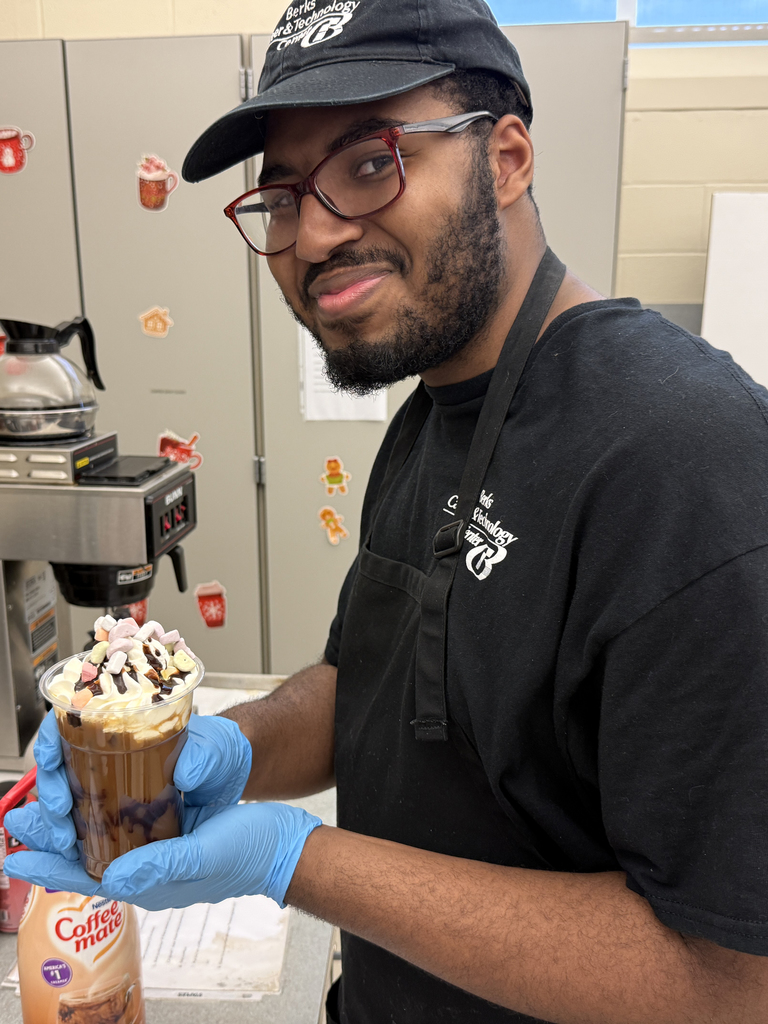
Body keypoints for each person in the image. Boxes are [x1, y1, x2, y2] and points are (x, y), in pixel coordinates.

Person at [6, 1, 768, 1021]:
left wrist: (296, 859)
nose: (312, 232)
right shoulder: (432, 409)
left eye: (370, 161)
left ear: (505, 159)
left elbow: (726, 979)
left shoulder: (686, 463)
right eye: (280, 195)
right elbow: (371, 682)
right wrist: (215, 751)